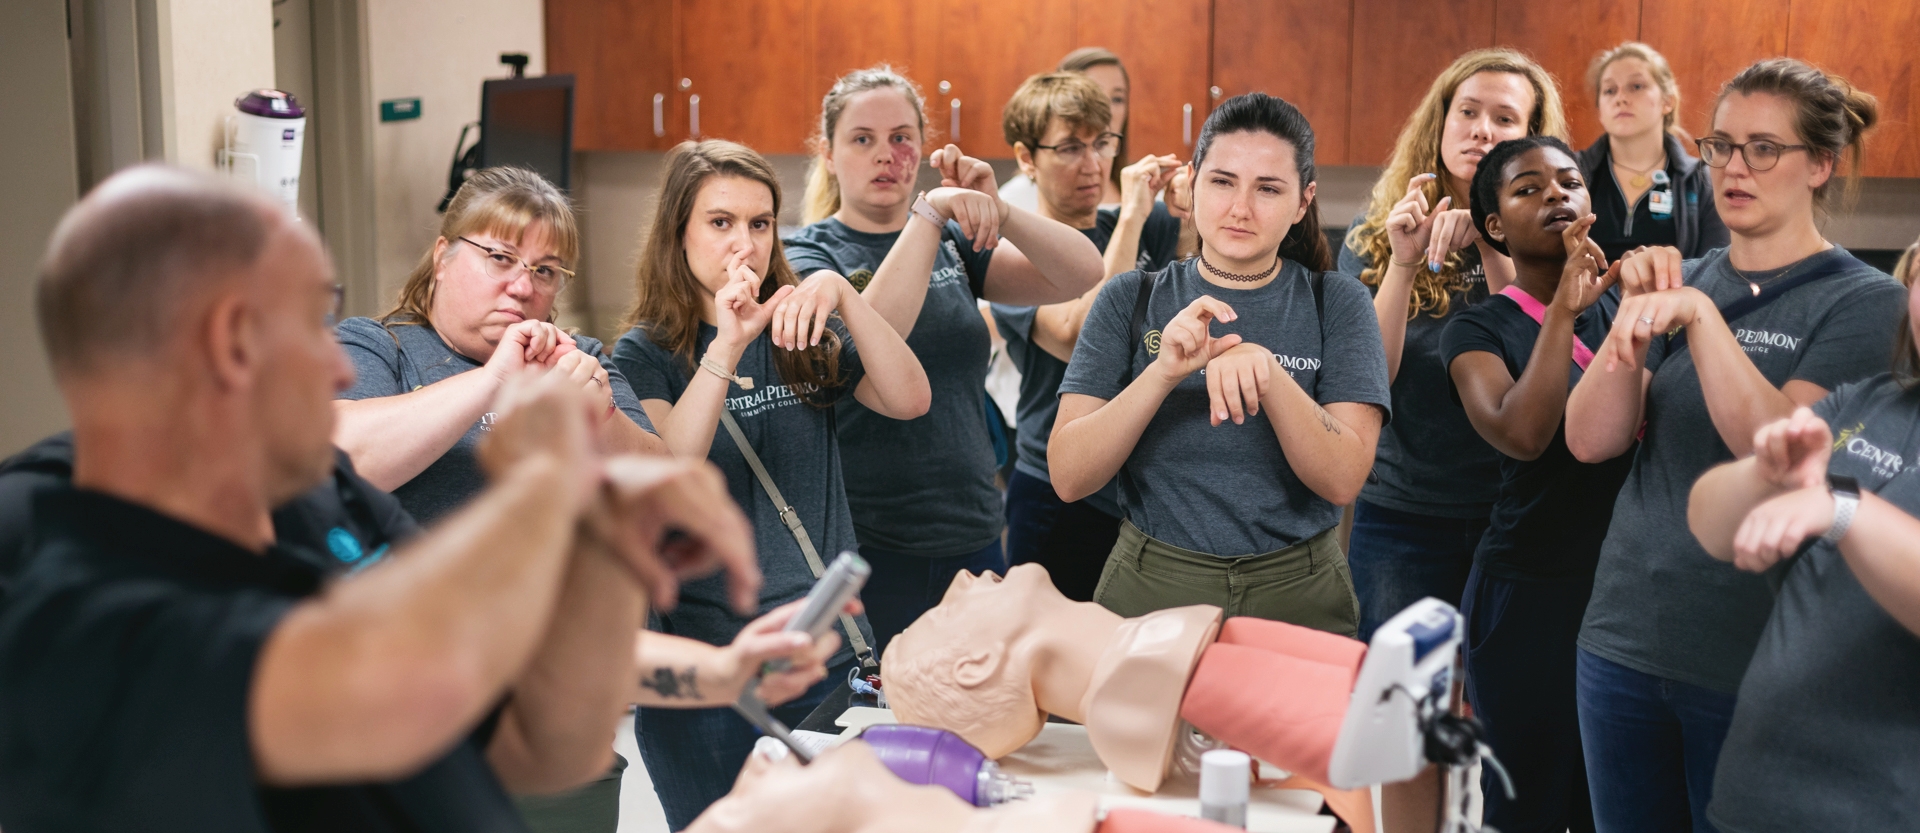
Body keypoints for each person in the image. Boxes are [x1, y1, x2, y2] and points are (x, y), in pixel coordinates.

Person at [0, 166, 777, 832]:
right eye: (311, 324)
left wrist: (714, 667)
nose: (340, 369)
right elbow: (376, 675)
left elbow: (533, 722)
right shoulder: (53, 536)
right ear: (228, 339)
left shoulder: (320, 492)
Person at [1563, 58, 1904, 832]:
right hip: (1623, 639)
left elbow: (1777, 453)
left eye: (1764, 149)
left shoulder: (1865, 302)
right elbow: (1590, 440)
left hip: (1752, 662)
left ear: (1821, 165)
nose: (1734, 168)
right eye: (1721, 146)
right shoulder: (1691, 277)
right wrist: (1632, 321)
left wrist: (1701, 321)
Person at [612, 140, 930, 829]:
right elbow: (674, 470)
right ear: (679, 234)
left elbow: (909, 398)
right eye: (720, 222)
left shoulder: (798, 334)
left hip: (822, 650)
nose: (744, 244)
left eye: (760, 224)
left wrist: (843, 293)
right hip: (709, 670)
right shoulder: (646, 353)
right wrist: (725, 343)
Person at [787, 65, 1103, 653]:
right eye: (863, 139)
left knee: (980, 713)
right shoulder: (807, 254)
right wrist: (930, 214)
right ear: (827, 154)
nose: (887, 155)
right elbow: (865, 347)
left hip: (975, 527)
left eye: (902, 137)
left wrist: (1000, 211)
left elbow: (1081, 273)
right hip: (870, 544)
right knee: (877, 728)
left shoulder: (952, 243)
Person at [1049, 93, 1389, 636]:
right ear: (1190, 184)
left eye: (1269, 189)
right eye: (1223, 181)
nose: (1240, 208)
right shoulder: (1128, 298)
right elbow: (1069, 476)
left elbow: (1343, 479)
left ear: (1304, 202)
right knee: (1149, 726)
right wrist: (1162, 373)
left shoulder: (1339, 302)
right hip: (1151, 585)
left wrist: (1267, 371)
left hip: (1299, 592)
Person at [1338, 48, 1568, 642]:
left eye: (1505, 118)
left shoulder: (1561, 236)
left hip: (1516, 512)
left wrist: (1494, 244)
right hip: (1401, 512)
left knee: (1501, 709)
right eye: (1467, 111)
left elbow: (1535, 364)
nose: (1482, 130)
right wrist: (1404, 264)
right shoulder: (1376, 235)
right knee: (1397, 706)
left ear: (1531, 137)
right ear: (1440, 124)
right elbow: (1370, 377)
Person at [1442, 136, 1633, 833]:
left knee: (1609, 799)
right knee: (1527, 801)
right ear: (1495, 225)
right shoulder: (1477, 329)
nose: (1556, 195)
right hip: (1530, 594)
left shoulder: (1632, 306)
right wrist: (1563, 312)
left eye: (1569, 182)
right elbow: (1521, 433)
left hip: (1624, 591)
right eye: (1528, 188)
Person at [1686, 297, 1920, 831]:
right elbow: (1709, 526)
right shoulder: (1868, 402)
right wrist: (1764, 474)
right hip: (1755, 801)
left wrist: (1841, 509)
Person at [333, 166, 664, 525]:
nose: (523, 288)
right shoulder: (377, 346)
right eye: (501, 258)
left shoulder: (578, 358)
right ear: (443, 257)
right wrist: (495, 379)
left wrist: (604, 417)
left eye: (544, 271)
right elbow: (339, 465)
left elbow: (663, 498)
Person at [990, 71, 1183, 601]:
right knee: (1051, 665)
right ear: (1026, 158)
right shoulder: (1012, 256)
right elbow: (1078, 336)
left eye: (1102, 144)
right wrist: (1135, 214)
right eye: (1071, 148)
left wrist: (1192, 203)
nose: (1094, 164)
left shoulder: (1151, 224)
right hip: (1056, 494)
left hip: (1142, 485)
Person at [1578, 42, 1729, 263]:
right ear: (1600, 111)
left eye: (1636, 86)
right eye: (1610, 90)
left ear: (1668, 101)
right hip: (1585, 297)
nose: (1620, 98)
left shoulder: (1702, 179)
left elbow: (1714, 269)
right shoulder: (1572, 171)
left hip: (1672, 295)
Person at [1001, 47, 1135, 211]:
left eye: (1117, 99)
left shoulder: (1143, 192)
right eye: (1093, 95)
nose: (1107, 110)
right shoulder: (1016, 198)